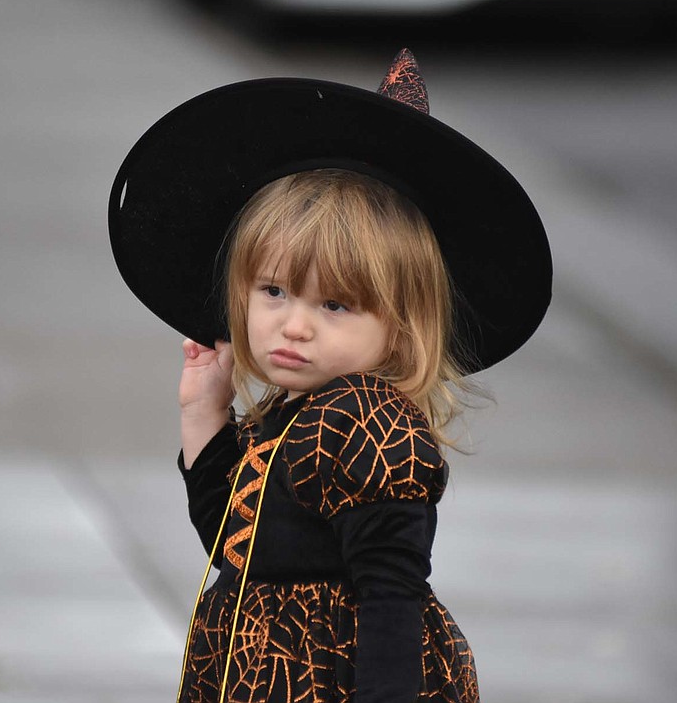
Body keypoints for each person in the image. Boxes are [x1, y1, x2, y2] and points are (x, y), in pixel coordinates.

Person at [108, 50, 552, 703]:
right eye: (275, 291)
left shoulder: (368, 423)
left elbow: (391, 597)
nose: (295, 325)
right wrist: (205, 416)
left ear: (400, 327)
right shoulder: (294, 410)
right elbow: (242, 549)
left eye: (334, 305)